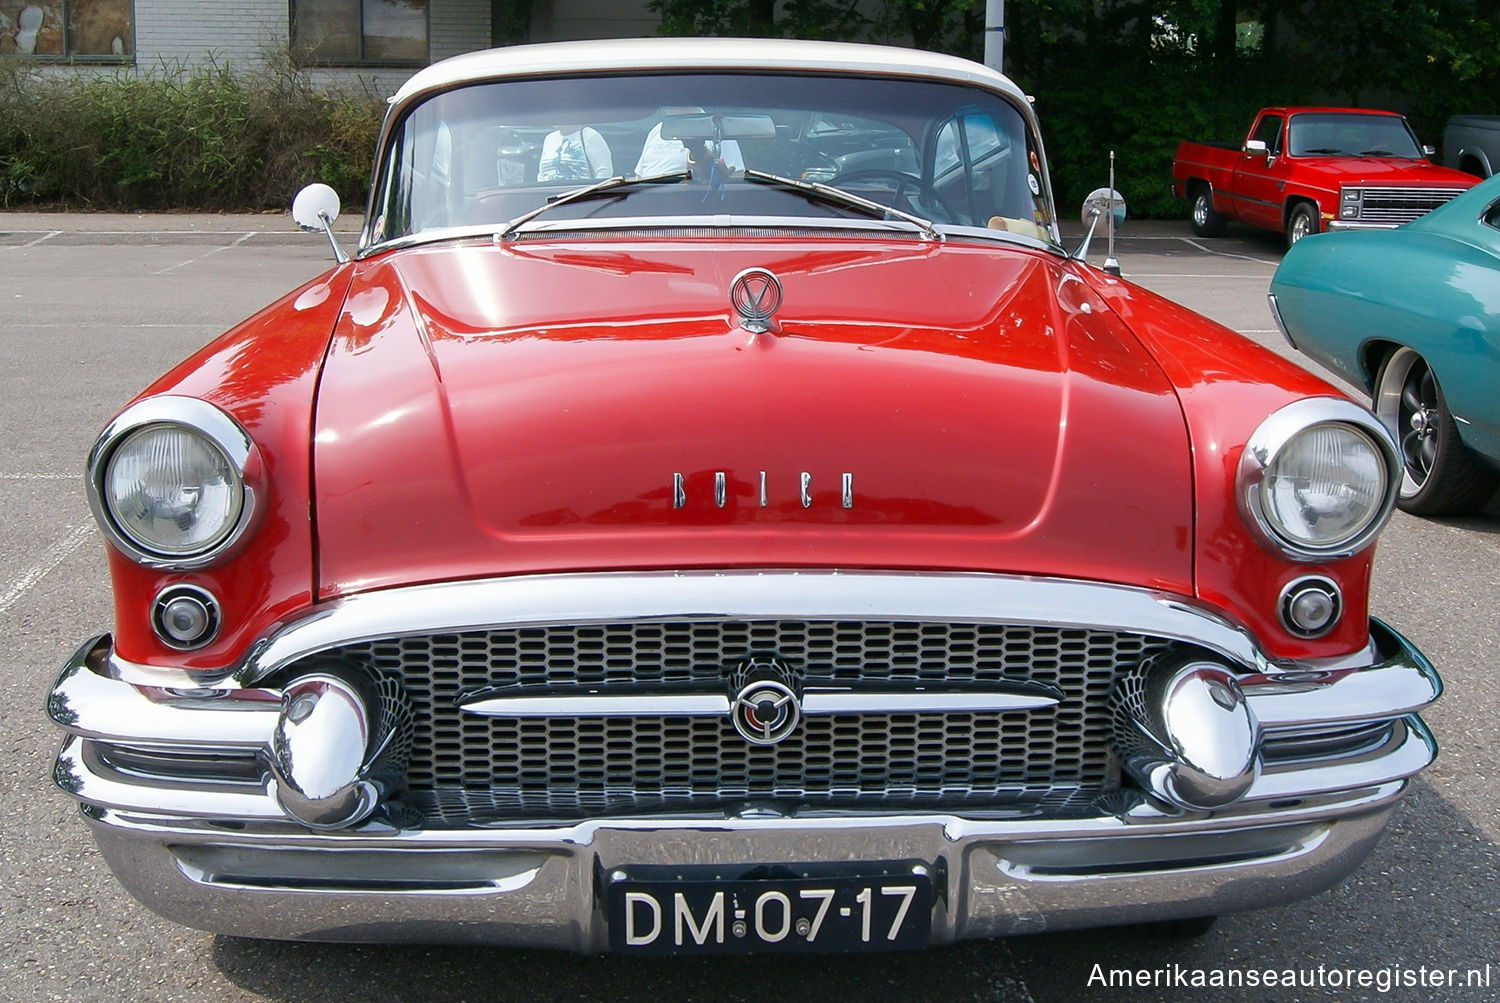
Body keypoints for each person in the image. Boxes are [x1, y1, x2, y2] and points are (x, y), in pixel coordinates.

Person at [634, 108, 745, 178]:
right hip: (648, 208)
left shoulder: (717, 129)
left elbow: (737, 179)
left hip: (691, 208)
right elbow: (639, 177)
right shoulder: (657, 131)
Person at [537, 125, 613, 182]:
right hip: (550, 198)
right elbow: (542, 174)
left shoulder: (590, 135)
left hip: (580, 199)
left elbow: (604, 172)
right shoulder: (549, 138)